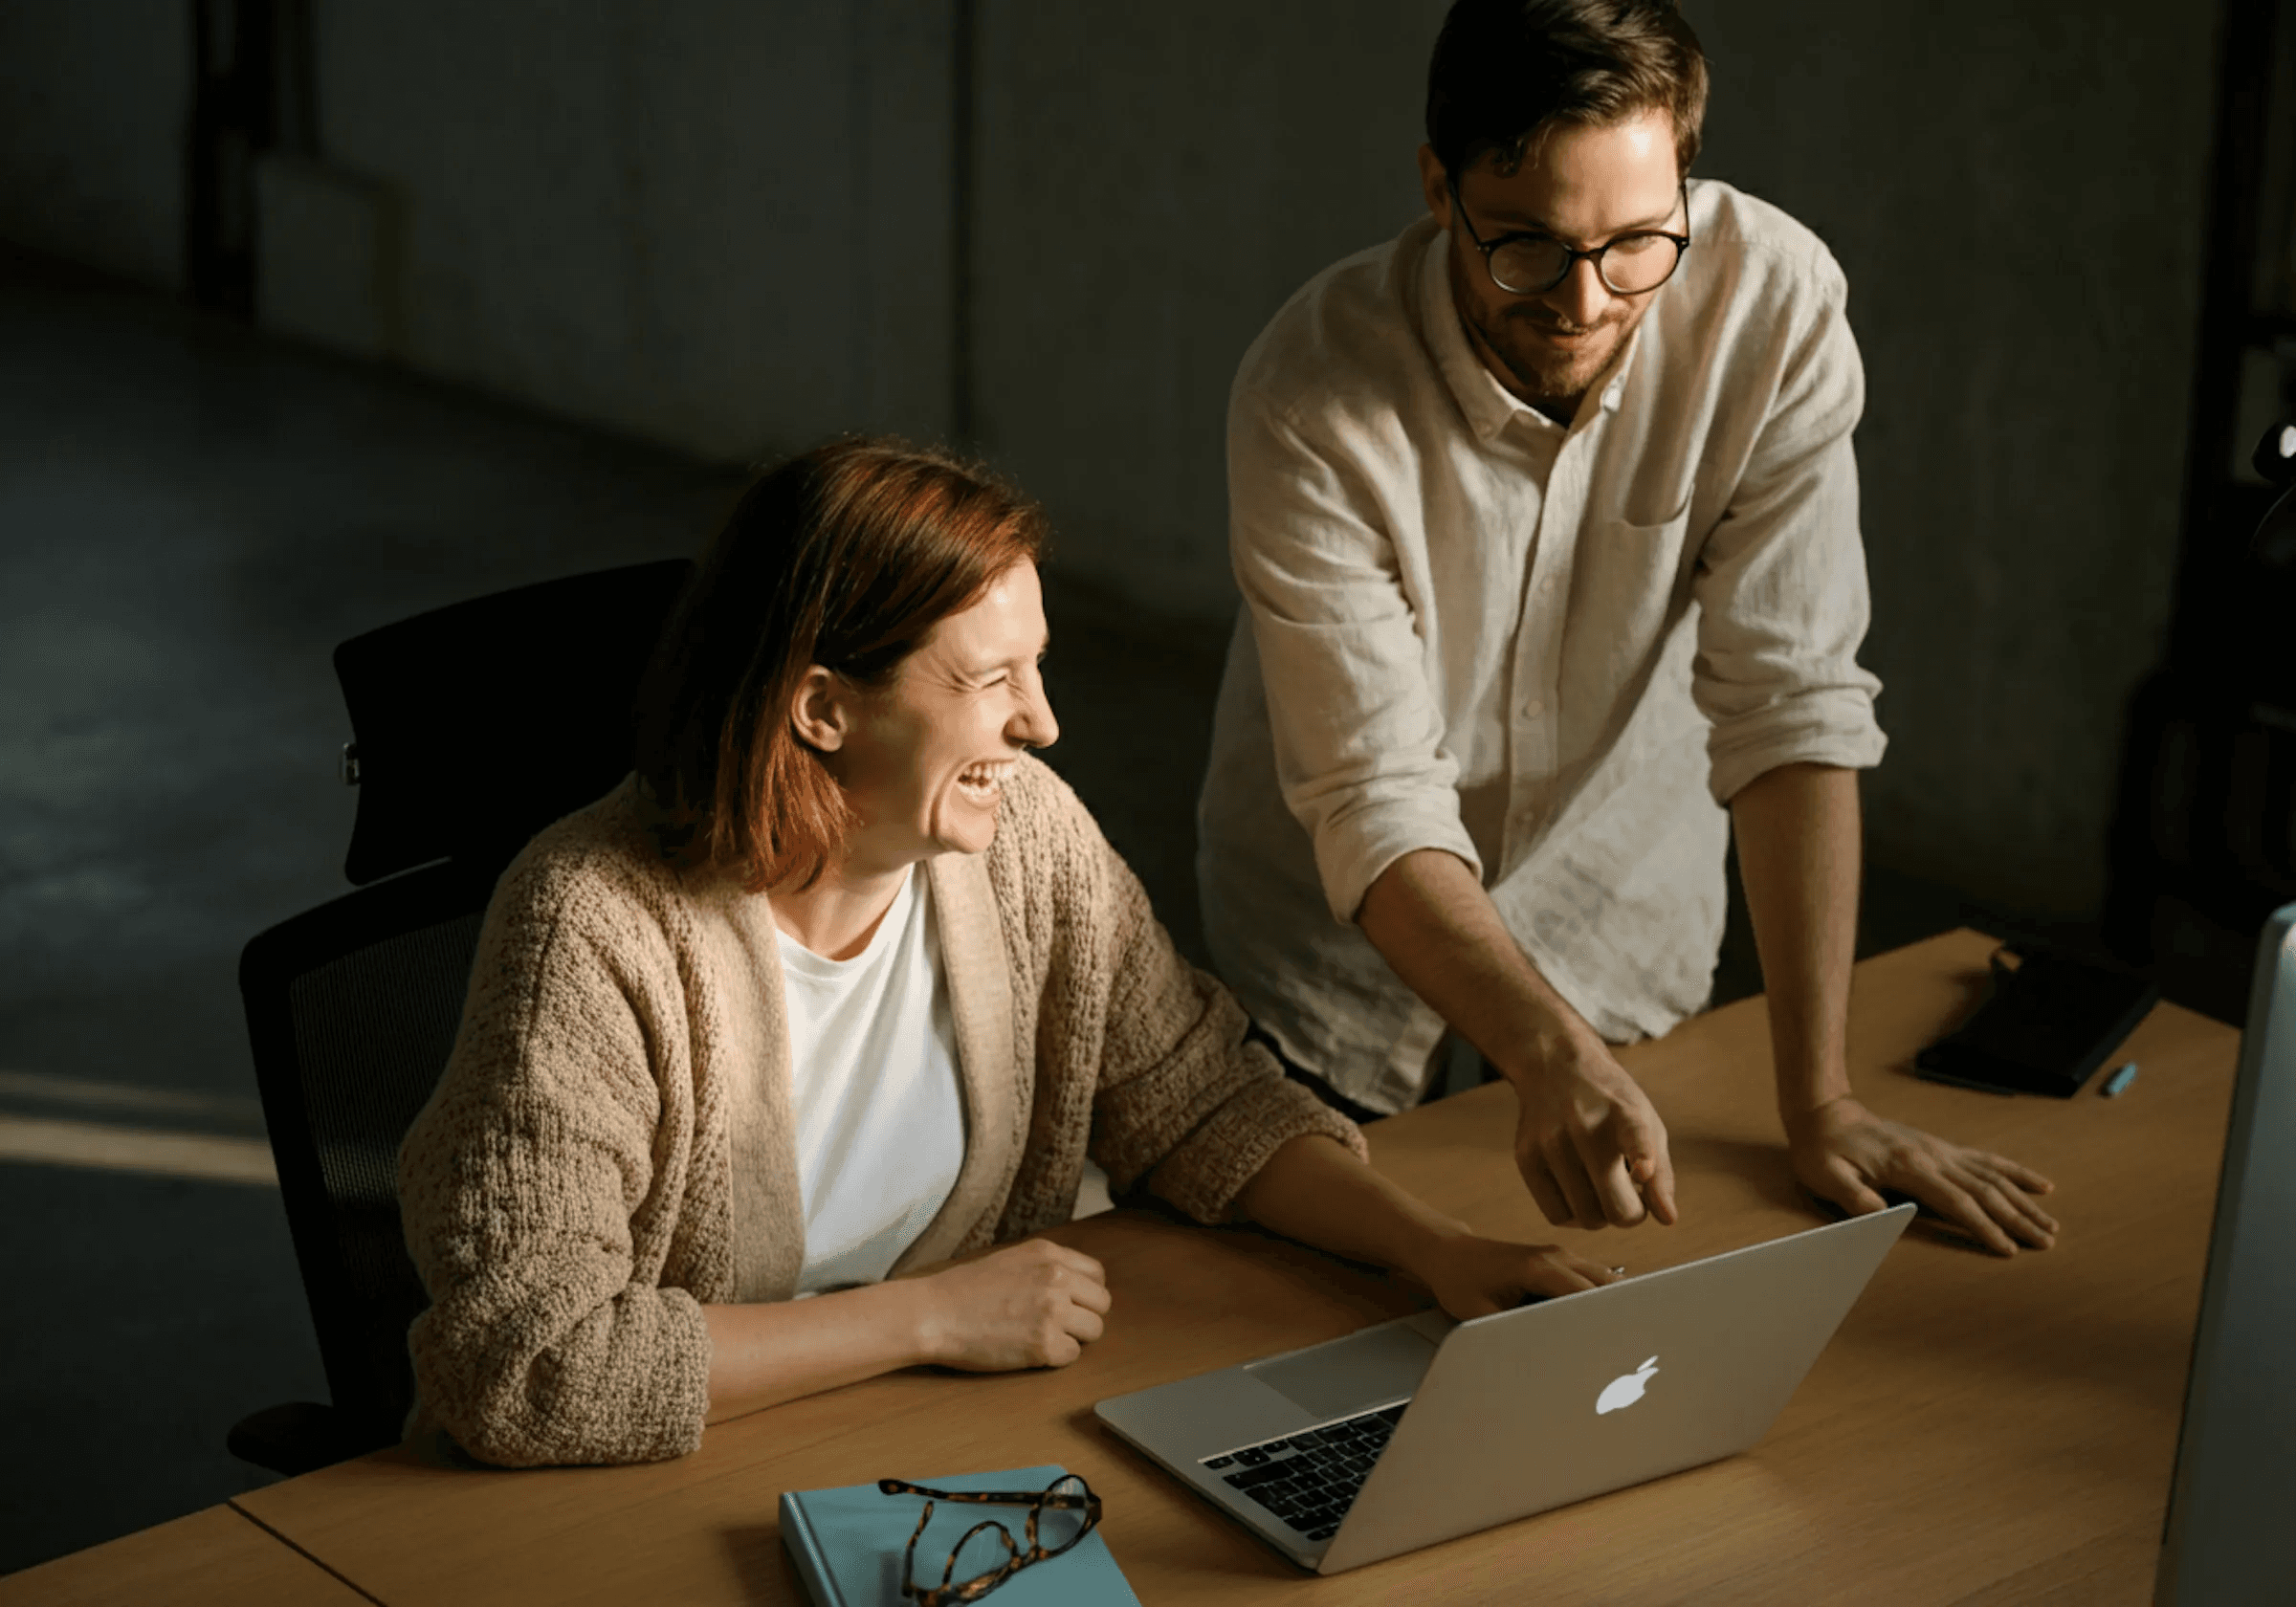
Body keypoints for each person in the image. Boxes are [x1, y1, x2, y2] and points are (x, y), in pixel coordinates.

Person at [397, 437, 1624, 1469]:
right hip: (637, 1496)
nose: (1041, 723)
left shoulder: (1024, 838)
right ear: (822, 707)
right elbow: (529, 1365)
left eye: (1037, 666)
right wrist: (929, 1318)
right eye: (992, 680)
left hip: (938, 1451)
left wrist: (1435, 1249)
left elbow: (1201, 1100)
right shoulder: (594, 924)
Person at [1196, 0, 2059, 1257]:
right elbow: (1375, 796)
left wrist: (1818, 1099)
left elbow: (1793, 701)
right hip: (1333, 949)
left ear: (1686, 183)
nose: (1584, 303)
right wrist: (1545, 1050)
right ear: (1440, 186)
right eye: (1528, 249)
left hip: (1619, 922)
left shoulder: (1775, 313)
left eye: (1638, 245)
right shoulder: (1309, 392)